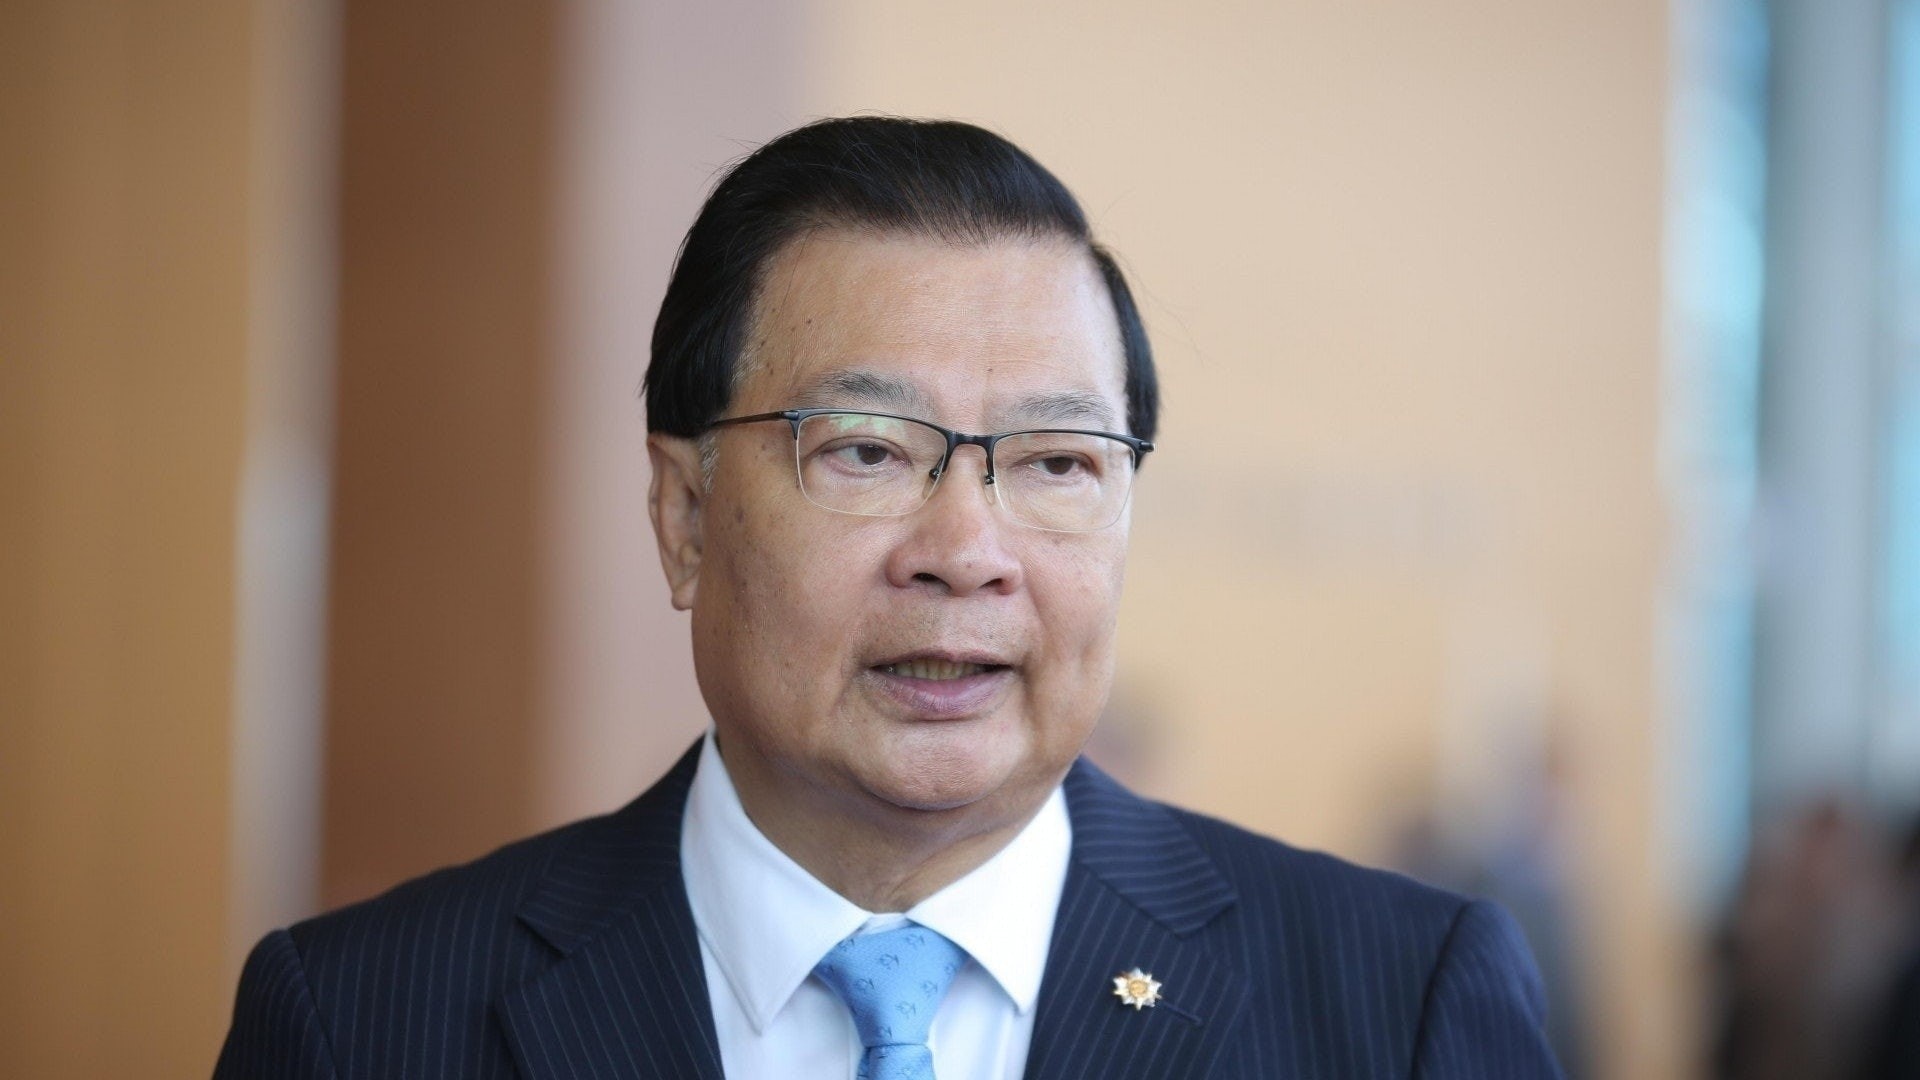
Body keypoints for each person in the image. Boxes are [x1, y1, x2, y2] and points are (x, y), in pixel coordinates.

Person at [216, 116, 1561, 1079]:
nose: (966, 550)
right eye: (865, 451)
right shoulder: (360, 1021)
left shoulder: (1399, 1004)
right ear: (684, 516)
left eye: (1057, 462)